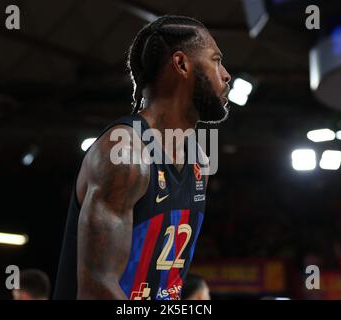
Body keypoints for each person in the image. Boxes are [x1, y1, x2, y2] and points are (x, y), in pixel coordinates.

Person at [53, 15, 231, 300]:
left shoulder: (199, 162)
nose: (226, 75)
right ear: (182, 64)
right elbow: (96, 290)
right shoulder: (124, 154)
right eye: (216, 60)